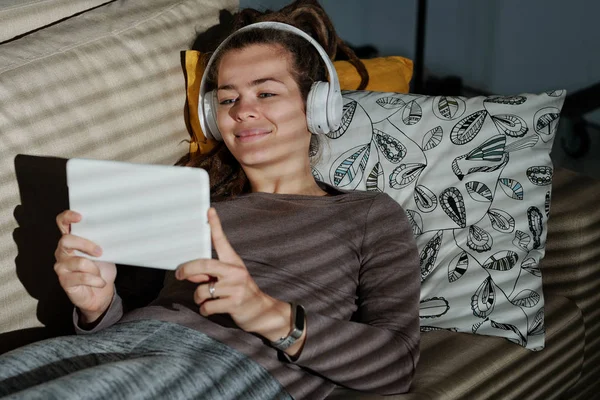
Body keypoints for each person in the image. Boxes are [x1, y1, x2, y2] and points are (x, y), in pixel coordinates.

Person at [0, 2, 420, 399]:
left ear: (317, 106)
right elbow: (140, 317)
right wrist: (98, 306)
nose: (242, 110)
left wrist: (266, 313)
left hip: (236, 364)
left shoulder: (368, 214)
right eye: (227, 98)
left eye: (266, 93)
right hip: (121, 342)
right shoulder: (190, 201)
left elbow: (398, 362)